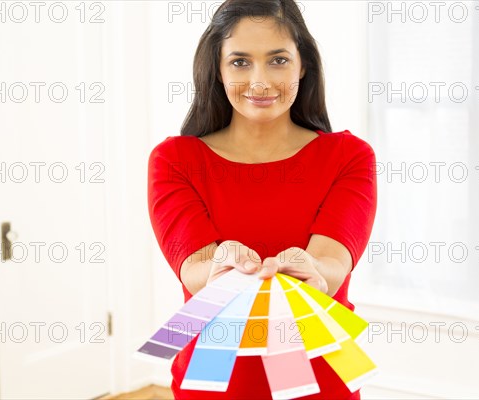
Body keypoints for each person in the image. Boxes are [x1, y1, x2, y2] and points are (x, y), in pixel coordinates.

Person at [147, 0, 377, 399]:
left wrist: (314, 272)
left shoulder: (348, 156)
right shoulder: (175, 160)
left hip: (320, 378)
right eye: (239, 62)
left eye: (278, 60)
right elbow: (194, 270)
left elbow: (333, 262)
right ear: (216, 70)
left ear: (303, 66)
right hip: (214, 378)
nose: (260, 82)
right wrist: (220, 266)